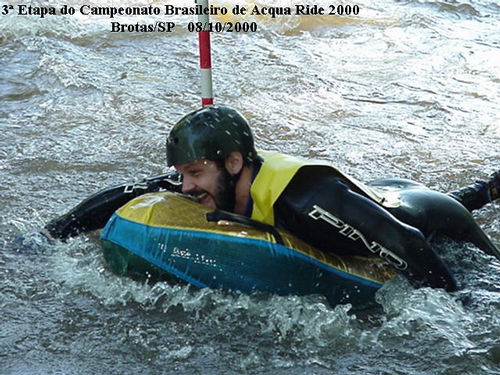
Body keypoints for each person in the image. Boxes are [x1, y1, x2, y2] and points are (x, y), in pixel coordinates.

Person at [45, 104, 500, 292]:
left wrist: (453, 309)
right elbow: (124, 194)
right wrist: (51, 235)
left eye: (195, 173)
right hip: (382, 188)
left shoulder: (307, 201)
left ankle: (485, 191)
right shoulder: (208, 177)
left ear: (235, 163)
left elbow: (408, 241)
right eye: (183, 175)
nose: (184, 188)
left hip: (432, 219)